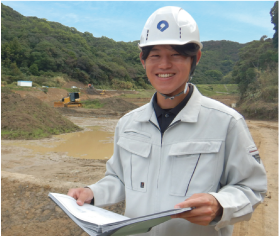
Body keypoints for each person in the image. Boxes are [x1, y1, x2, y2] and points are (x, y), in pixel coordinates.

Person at [68, 6, 267, 236]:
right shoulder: (128, 124)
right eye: (155, 56)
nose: (164, 65)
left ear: (195, 59)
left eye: (176, 55)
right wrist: (92, 193)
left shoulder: (226, 123)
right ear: (143, 61)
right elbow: (119, 180)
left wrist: (221, 205)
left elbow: (252, 189)